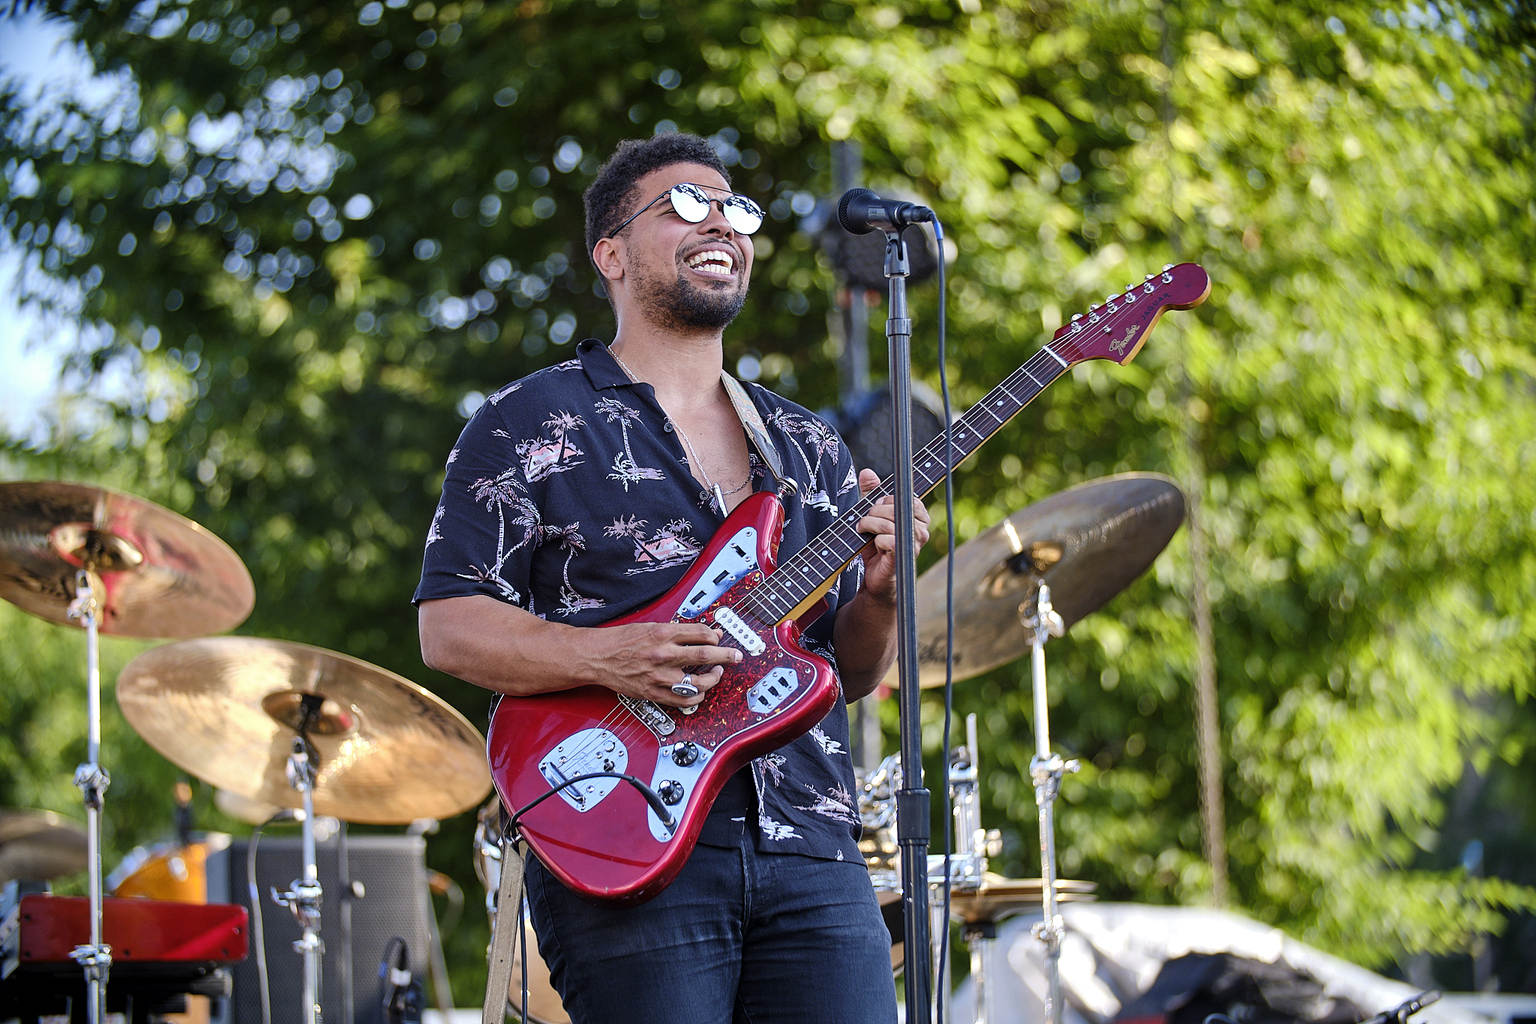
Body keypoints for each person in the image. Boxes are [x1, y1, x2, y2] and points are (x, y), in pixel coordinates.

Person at [415, 132, 928, 1024]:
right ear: (609, 253)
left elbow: (846, 671)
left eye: (733, 207)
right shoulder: (530, 420)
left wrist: (881, 596)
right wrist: (610, 657)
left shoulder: (808, 445)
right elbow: (449, 624)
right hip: (623, 836)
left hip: (811, 839)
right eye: (685, 204)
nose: (719, 220)